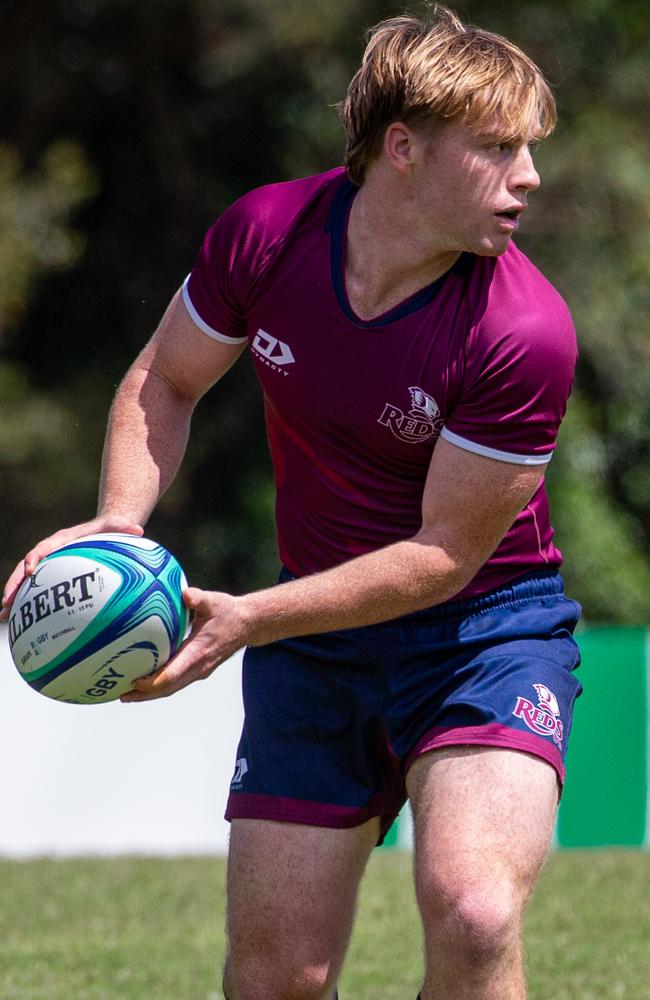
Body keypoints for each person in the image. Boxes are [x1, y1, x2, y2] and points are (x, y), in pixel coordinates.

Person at [2, 5, 583, 999]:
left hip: (483, 631)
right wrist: (118, 522)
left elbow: (442, 556)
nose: (526, 176)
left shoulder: (522, 331)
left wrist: (248, 619)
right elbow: (164, 380)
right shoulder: (266, 234)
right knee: (278, 978)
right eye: (495, 149)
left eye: (527, 148)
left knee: (474, 909)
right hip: (318, 639)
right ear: (402, 148)